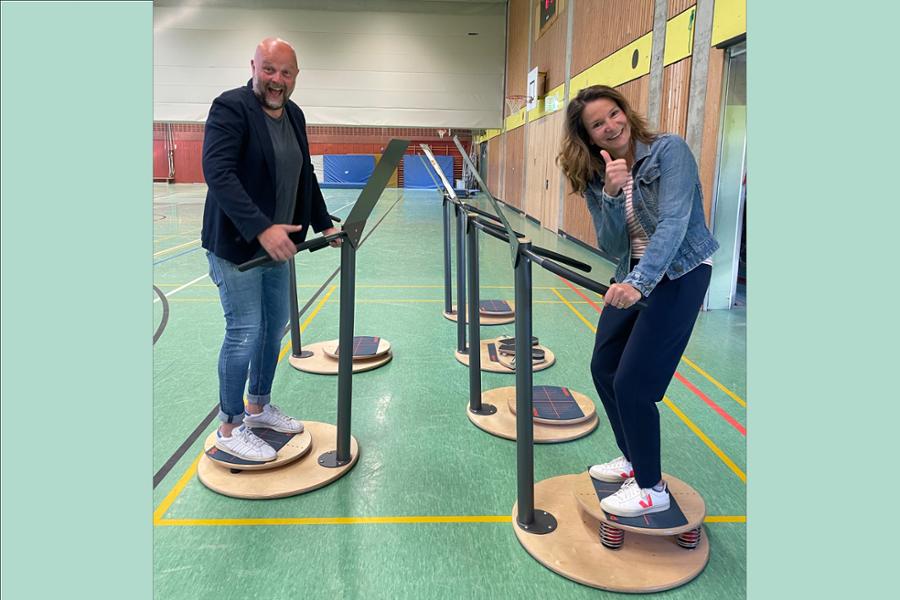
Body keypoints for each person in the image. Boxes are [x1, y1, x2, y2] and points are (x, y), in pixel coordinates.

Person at [557, 85, 719, 517]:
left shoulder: (669, 151)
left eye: (614, 114)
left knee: (633, 383)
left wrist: (641, 284)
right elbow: (612, 244)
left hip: (679, 274)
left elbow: (674, 222)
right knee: (603, 367)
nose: (611, 126)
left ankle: (652, 488)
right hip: (631, 275)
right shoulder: (598, 174)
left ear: (625, 112)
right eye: (597, 124)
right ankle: (632, 459)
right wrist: (610, 195)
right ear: (589, 137)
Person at [201, 37, 340, 462]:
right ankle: (229, 426)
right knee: (244, 333)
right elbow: (218, 172)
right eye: (269, 70)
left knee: (272, 329)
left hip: (278, 250)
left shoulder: (294, 115)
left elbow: (305, 176)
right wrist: (261, 229)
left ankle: (258, 407)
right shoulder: (231, 108)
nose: (277, 80)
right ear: (254, 67)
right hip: (238, 249)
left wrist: (323, 222)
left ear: (295, 77)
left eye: (286, 72)